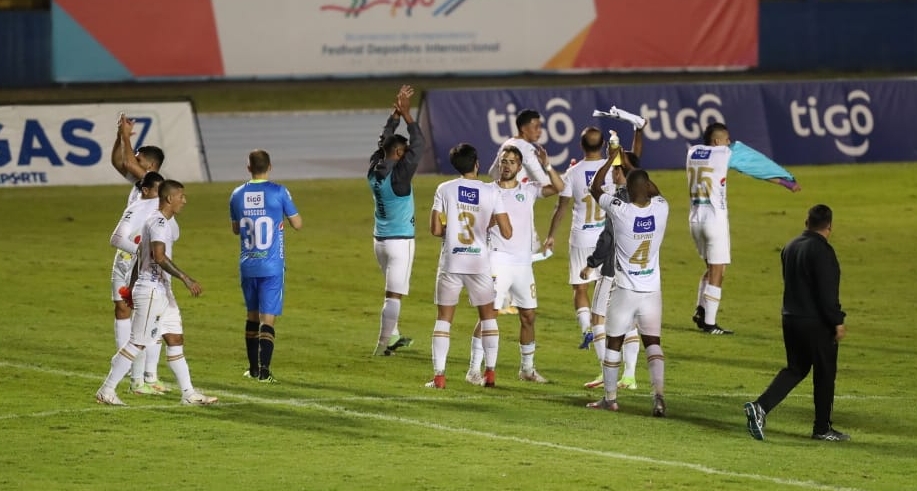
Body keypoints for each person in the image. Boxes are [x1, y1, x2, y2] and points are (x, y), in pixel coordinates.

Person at [96, 180, 218, 406]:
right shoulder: (160, 223)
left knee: (175, 338)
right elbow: (158, 257)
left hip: (161, 291)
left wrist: (131, 288)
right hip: (152, 291)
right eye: (181, 196)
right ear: (170, 198)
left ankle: (189, 394)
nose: (185, 200)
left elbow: (139, 258)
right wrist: (185, 278)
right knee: (137, 343)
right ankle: (107, 389)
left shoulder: (156, 222)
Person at [744, 204, 849, 441]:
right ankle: (822, 429)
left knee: (796, 368)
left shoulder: (790, 247)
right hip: (816, 322)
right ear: (830, 226)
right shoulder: (823, 251)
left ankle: (760, 407)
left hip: (790, 318)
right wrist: (837, 321)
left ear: (806, 222)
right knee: (824, 374)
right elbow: (826, 293)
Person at [688, 122, 801, 335]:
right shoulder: (724, 153)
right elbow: (755, 164)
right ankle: (710, 324)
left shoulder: (692, 152)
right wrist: (786, 180)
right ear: (717, 142)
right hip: (714, 220)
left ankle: (701, 311)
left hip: (695, 220)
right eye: (726, 139)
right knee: (718, 271)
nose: (729, 143)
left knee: (710, 267)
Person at [465, 145, 562, 385]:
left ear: (519, 167)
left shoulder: (528, 190)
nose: (506, 165)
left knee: (528, 315)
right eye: (503, 161)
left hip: (523, 263)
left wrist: (546, 165)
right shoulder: (487, 191)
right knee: (490, 315)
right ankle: (473, 370)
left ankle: (527, 369)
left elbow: (560, 188)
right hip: (497, 260)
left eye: (511, 162)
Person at [587, 157, 669, 417]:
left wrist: (612, 158)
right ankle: (658, 397)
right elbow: (653, 190)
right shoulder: (661, 207)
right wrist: (634, 170)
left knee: (614, 342)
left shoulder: (621, 210)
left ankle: (610, 399)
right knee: (653, 343)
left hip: (624, 290)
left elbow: (595, 187)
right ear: (648, 188)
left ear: (628, 190)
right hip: (651, 291)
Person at [427, 143, 512, 389]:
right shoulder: (491, 191)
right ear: (477, 163)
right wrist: (488, 222)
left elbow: (434, 229)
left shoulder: (445, 189)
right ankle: (490, 374)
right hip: (479, 263)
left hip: (452, 261)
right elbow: (507, 231)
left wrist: (451, 229)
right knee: (488, 318)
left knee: (444, 319)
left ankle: (440, 377)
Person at [108, 112, 169, 393]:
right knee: (122, 308)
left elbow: (129, 162)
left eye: (140, 158)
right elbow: (120, 161)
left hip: (143, 256)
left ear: (151, 166)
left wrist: (125, 135)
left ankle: (147, 376)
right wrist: (120, 139)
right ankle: (132, 373)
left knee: (150, 314)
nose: (133, 160)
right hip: (125, 254)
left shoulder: (155, 182)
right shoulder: (140, 185)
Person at [229, 149, 302, 383]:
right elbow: (298, 224)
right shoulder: (279, 192)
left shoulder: (237, 194)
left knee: (251, 315)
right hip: (271, 266)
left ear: (248, 168)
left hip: (248, 264)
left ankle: (252, 369)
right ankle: (264, 371)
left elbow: (235, 229)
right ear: (270, 167)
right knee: (267, 319)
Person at [580, 143, 644, 391]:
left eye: (616, 169)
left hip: (611, 268)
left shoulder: (617, 200)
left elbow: (607, 236)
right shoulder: (648, 199)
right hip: (637, 269)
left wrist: (591, 264)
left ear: (622, 173)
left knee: (598, 317)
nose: (614, 173)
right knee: (629, 322)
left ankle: (604, 371)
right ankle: (629, 376)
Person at [367, 85, 425, 356]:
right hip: (400, 242)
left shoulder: (374, 167)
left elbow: (384, 141)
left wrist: (395, 116)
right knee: (394, 296)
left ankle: (394, 335)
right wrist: (408, 116)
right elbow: (419, 146)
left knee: (390, 290)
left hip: (379, 240)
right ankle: (382, 346)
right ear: (399, 154)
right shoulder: (400, 178)